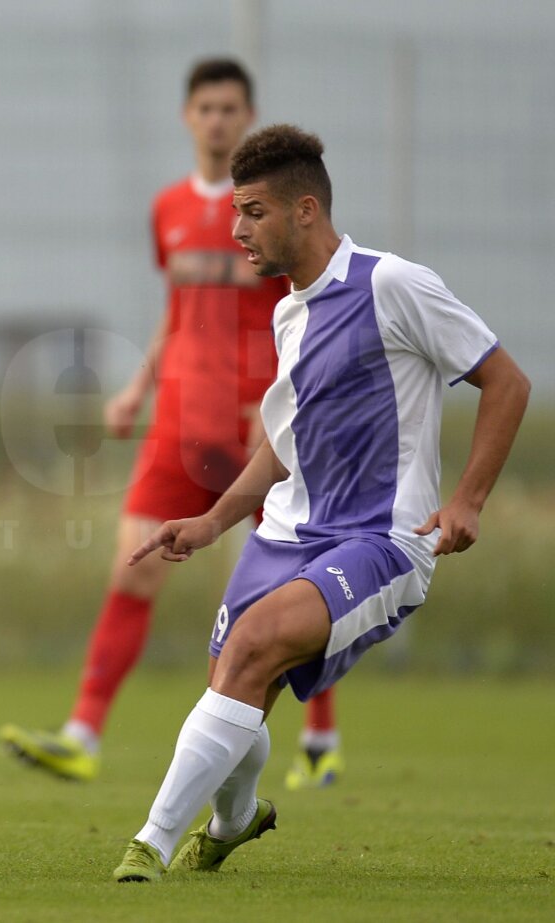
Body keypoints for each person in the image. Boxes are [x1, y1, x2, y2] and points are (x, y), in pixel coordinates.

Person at [112, 124, 530, 882]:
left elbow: (507, 381)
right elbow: (284, 441)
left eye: (254, 211)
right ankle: (235, 822)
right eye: (236, 213)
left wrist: (467, 500)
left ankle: (149, 845)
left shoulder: (391, 283)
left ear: (306, 209)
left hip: (381, 541)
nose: (238, 230)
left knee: (250, 649)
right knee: (240, 682)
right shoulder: (288, 313)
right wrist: (212, 521)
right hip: (285, 533)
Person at [0, 58, 343, 788]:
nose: (218, 119)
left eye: (230, 108)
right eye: (206, 107)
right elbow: (181, 312)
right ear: (188, 117)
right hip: (180, 424)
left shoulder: (271, 214)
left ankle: (319, 741)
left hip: (258, 428)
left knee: (301, 584)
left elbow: (304, 308)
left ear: (247, 117)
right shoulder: (168, 209)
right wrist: (136, 387)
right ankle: (82, 732)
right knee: (134, 568)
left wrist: (285, 393)